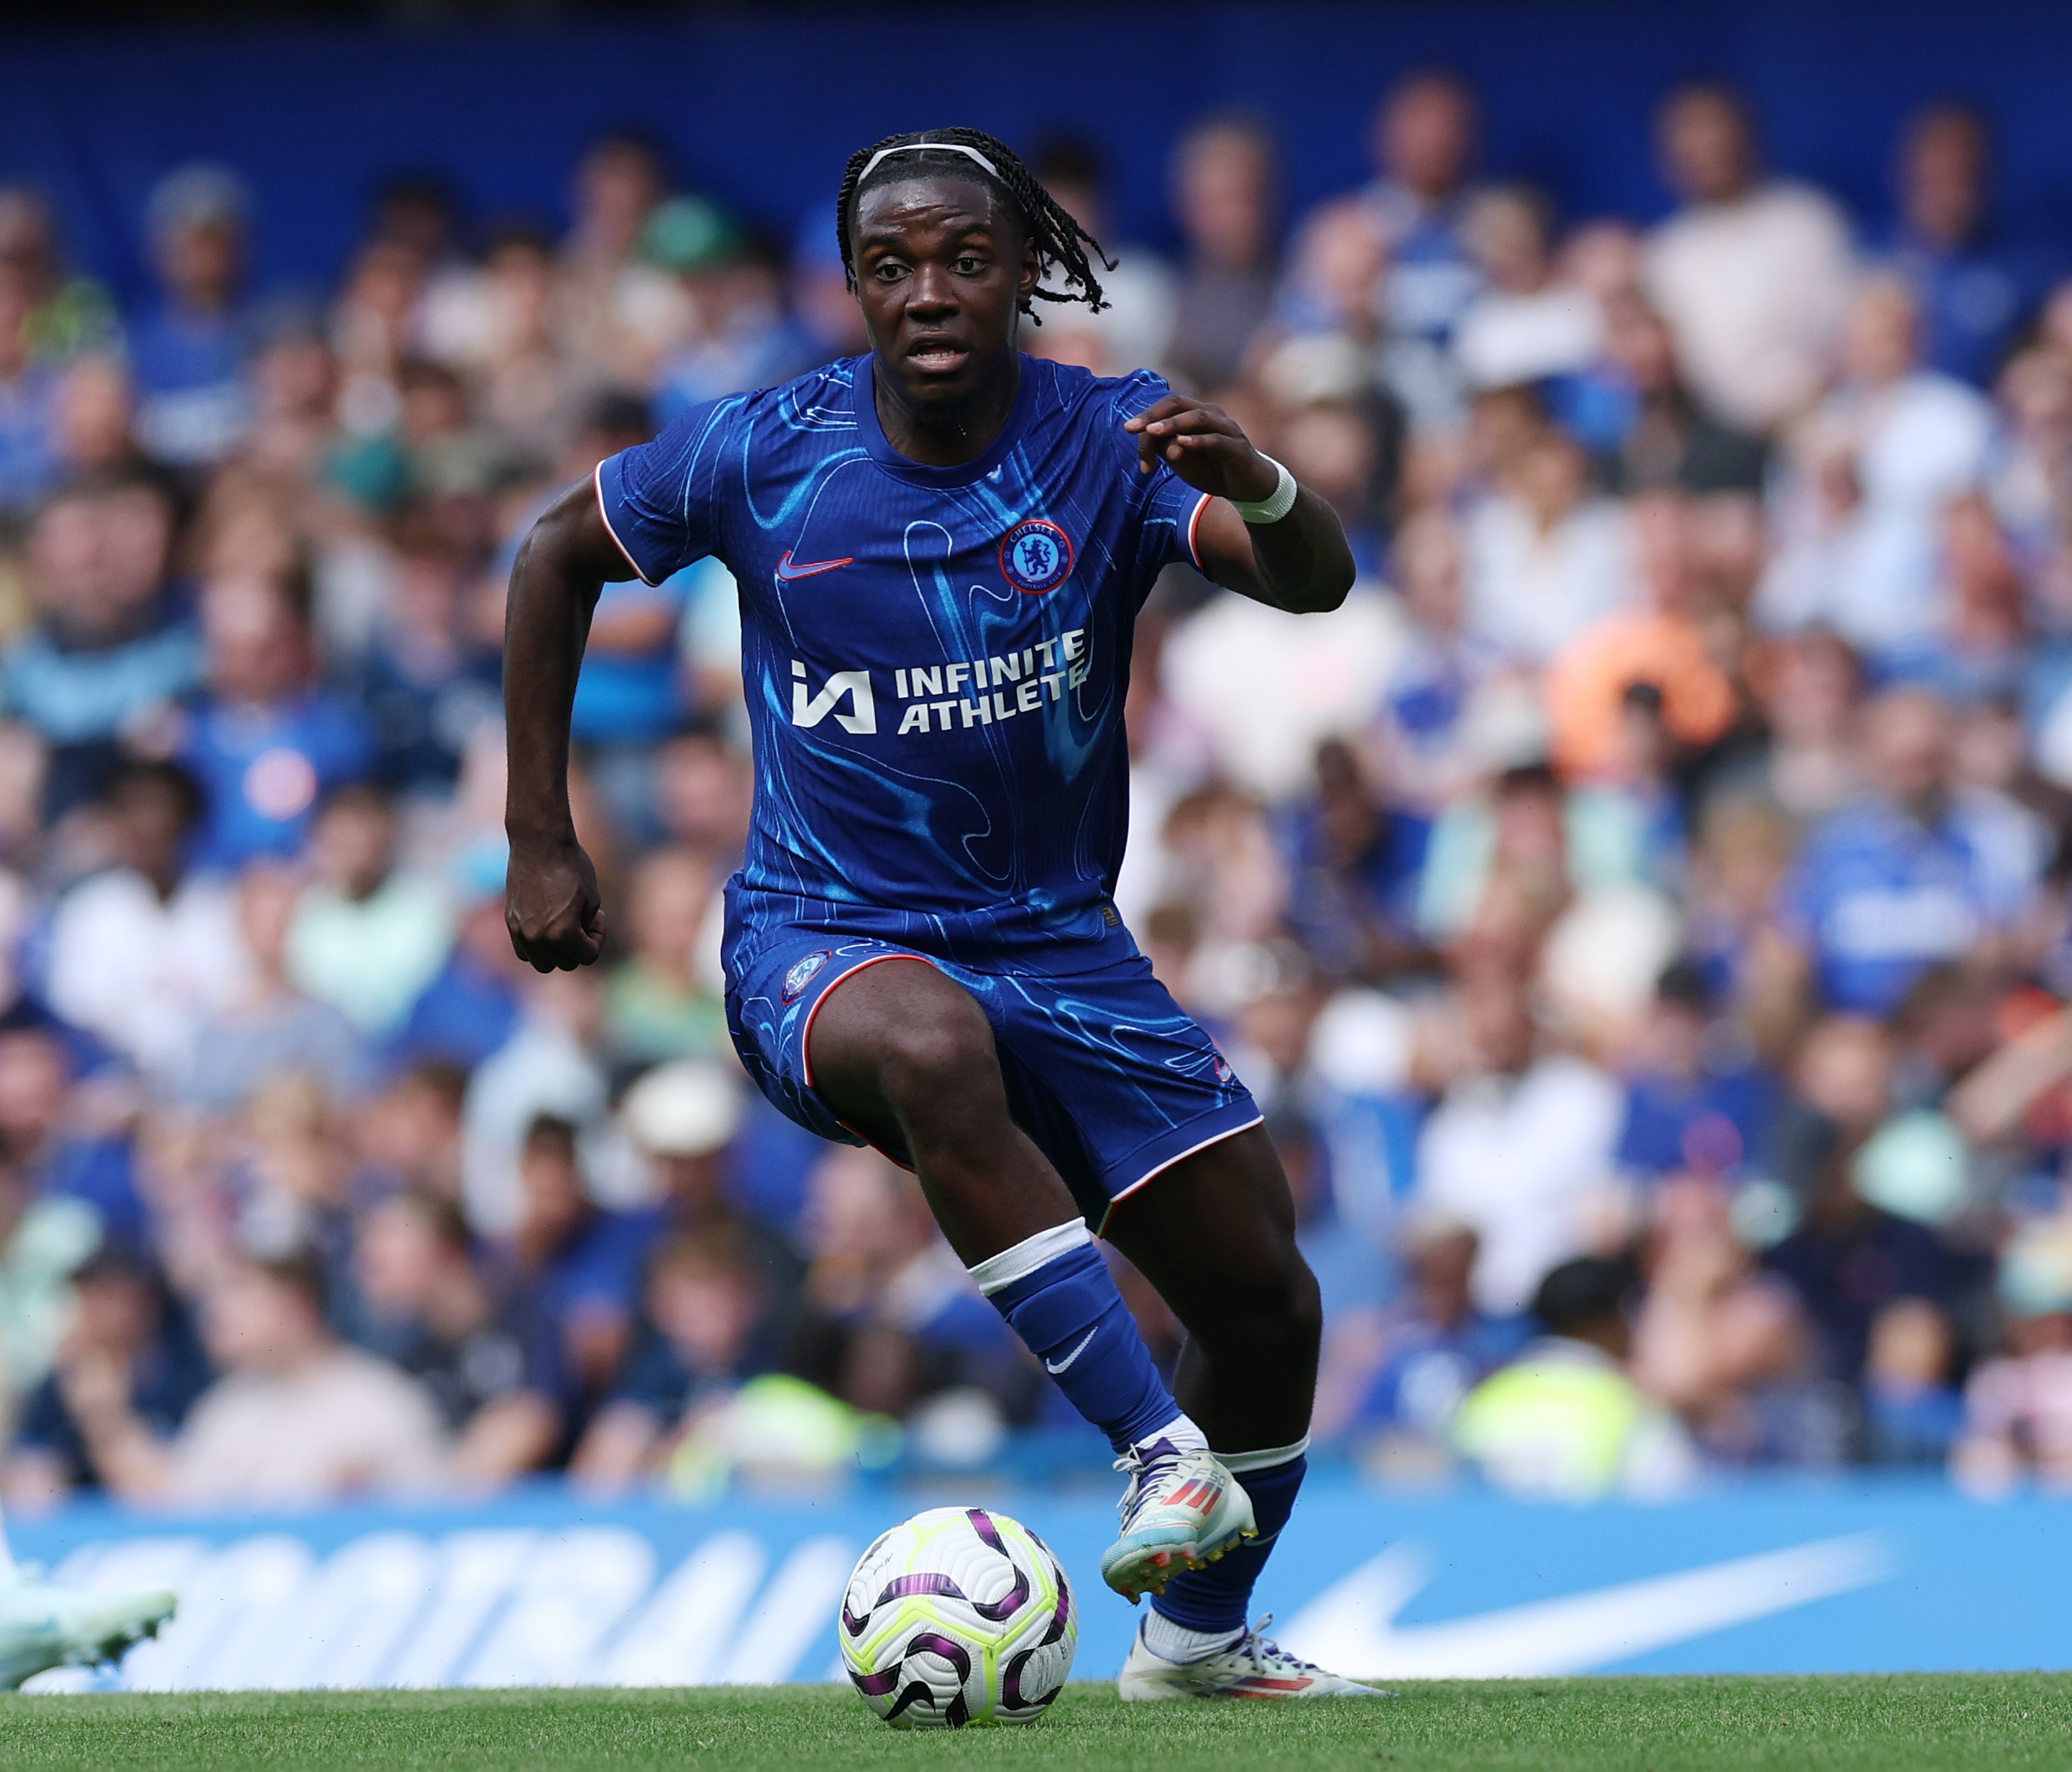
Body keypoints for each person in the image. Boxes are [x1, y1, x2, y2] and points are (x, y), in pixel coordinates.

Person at [503, 128, 1373, 1702]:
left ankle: (1192, 1641)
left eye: (965, 258)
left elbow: (1312, 580)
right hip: (819, 937)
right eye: (891, 264)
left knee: (1263, 1289)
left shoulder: (1108, 436)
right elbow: (556, 552)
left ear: (1025, 271)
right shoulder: (761, 450)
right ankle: (1154, 1454)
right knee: (930, 1038)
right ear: (849, 283)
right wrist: (538, 834)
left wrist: (1263, 478)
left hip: (1056, 938)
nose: (928, 291)